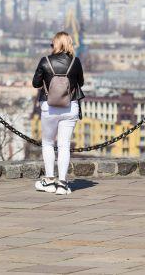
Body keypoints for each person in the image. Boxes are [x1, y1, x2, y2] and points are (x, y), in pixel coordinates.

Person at [31, 32, 84, 195]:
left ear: (56, 44)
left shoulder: (45, 61)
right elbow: (80, 82)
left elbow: (35, 83)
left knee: (47, 143)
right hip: (70, 107)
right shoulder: (75, 62)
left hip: (49, 107)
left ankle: (48, 180)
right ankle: (62, 183)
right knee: (64, 145)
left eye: (52, 44)